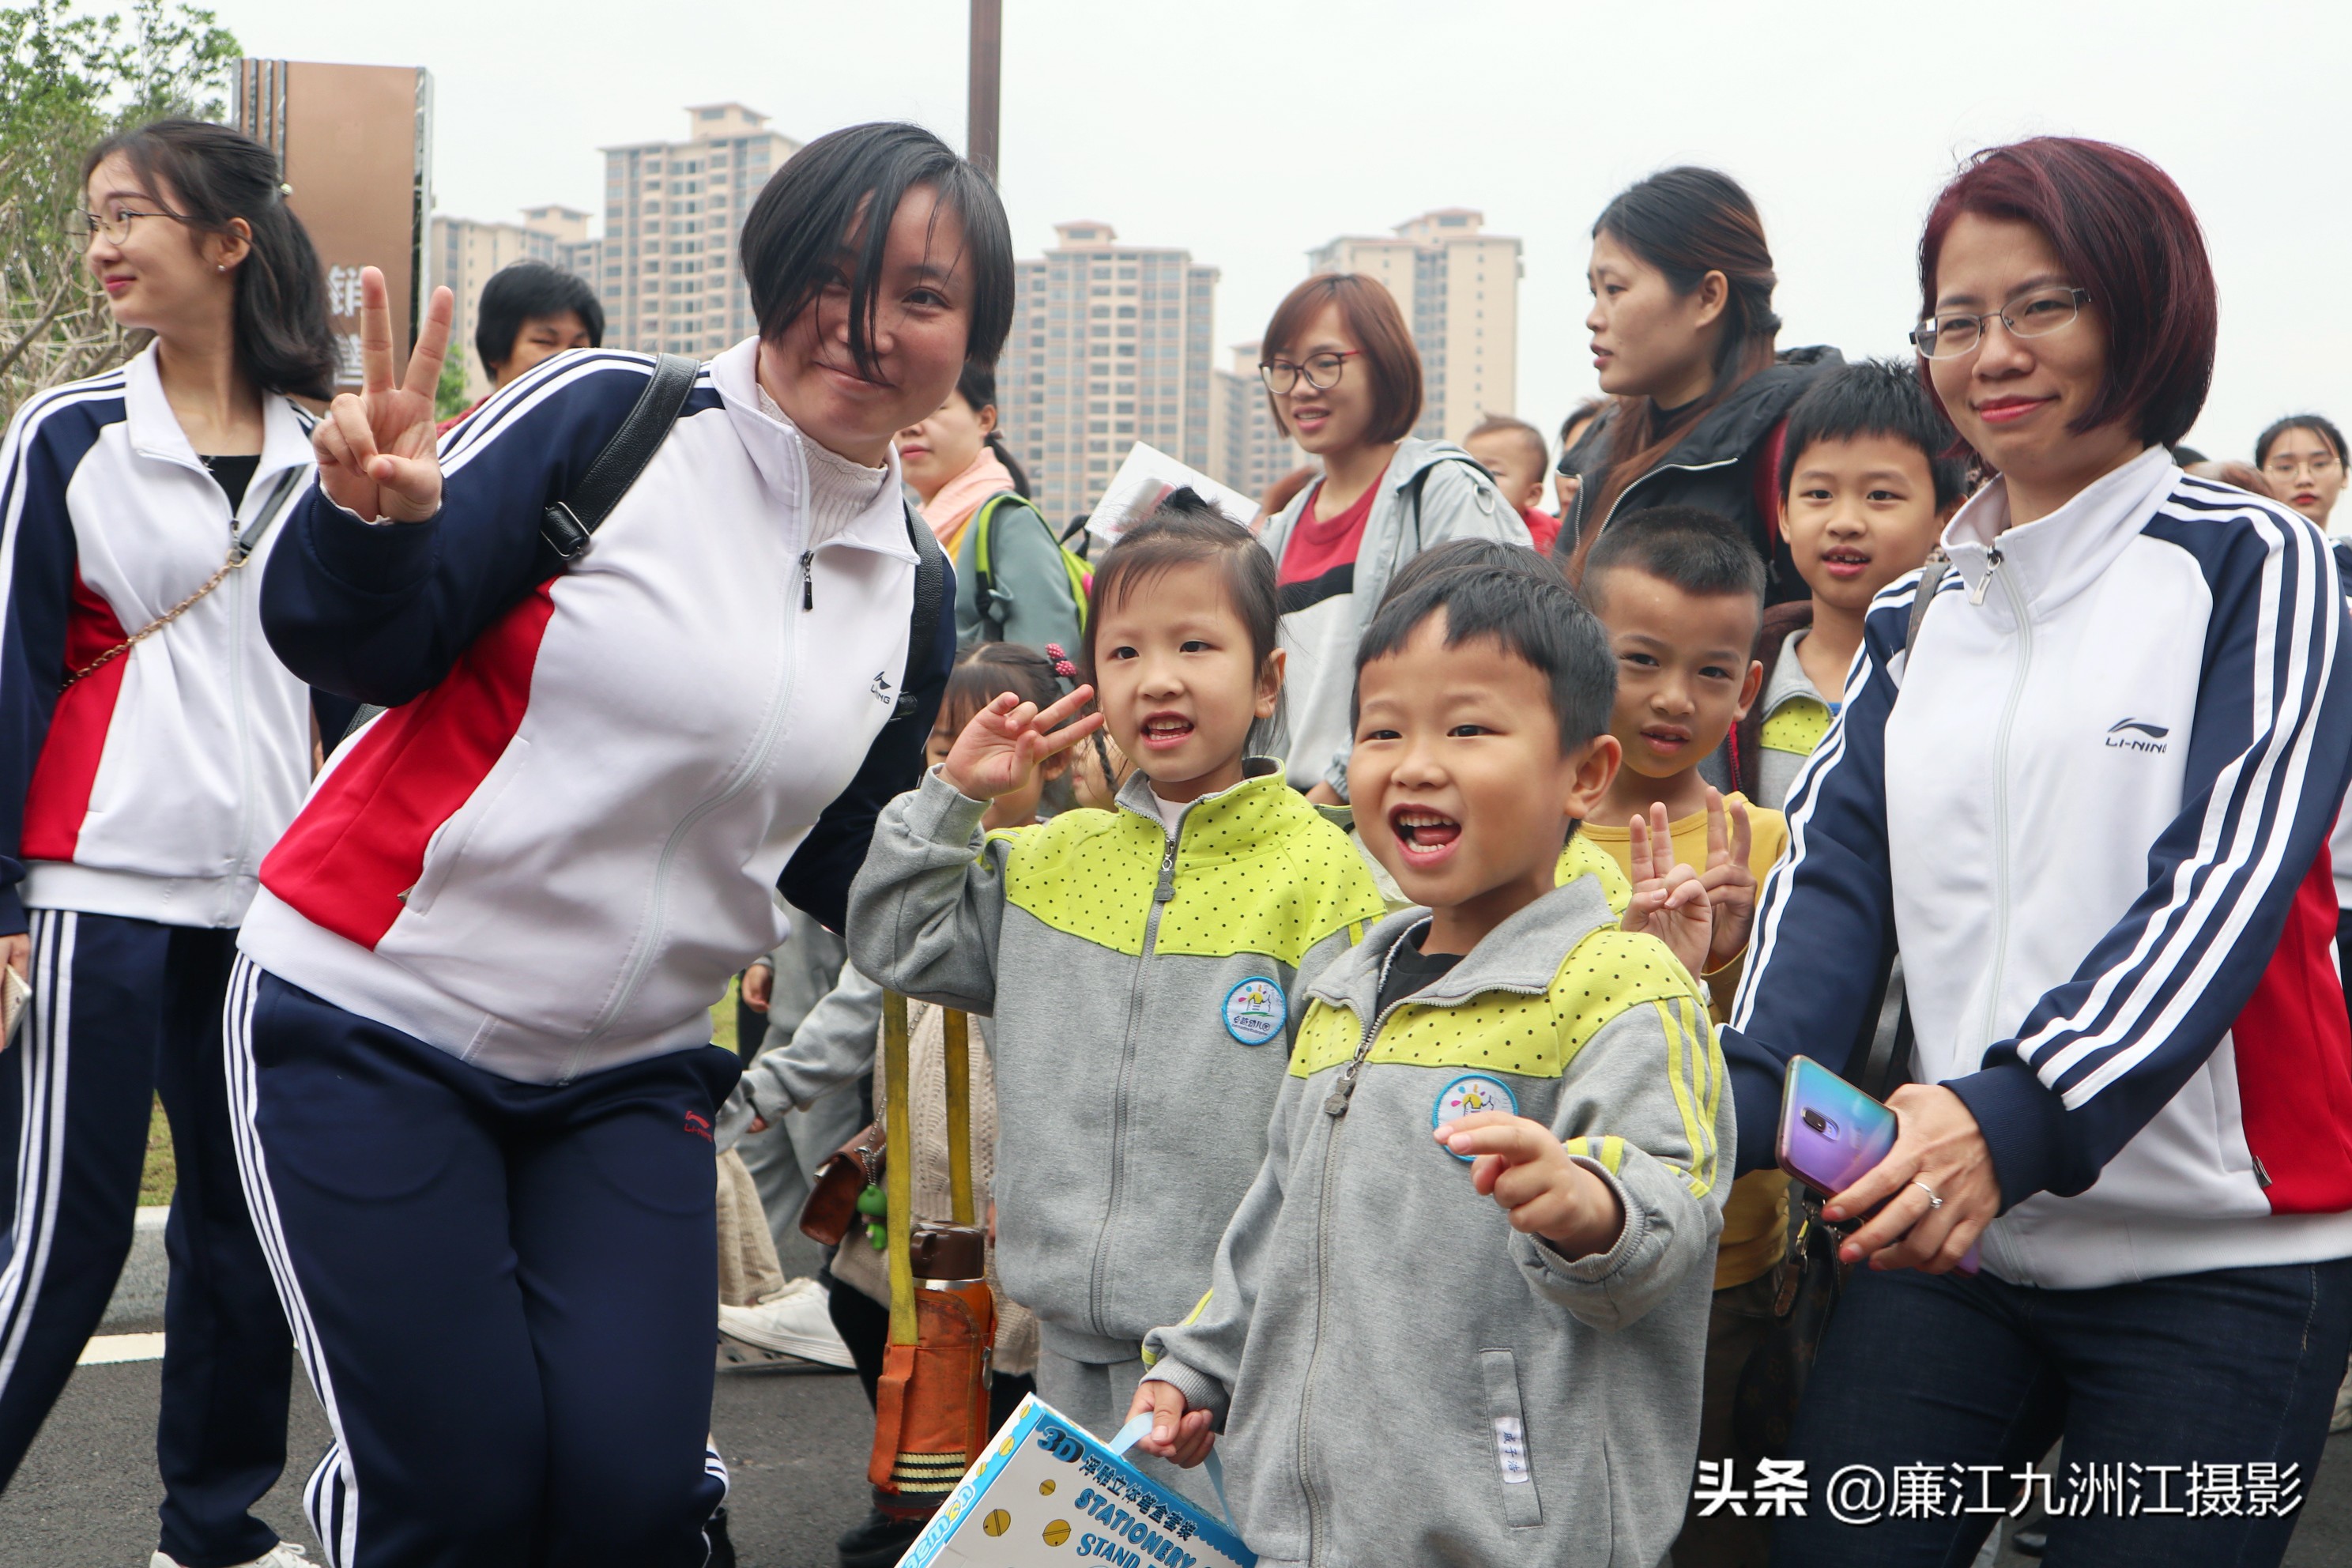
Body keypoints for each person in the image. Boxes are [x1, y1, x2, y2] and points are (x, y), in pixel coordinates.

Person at [228, 121, 994, 1566]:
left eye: (923, 294)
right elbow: (351, 643)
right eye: (833, 274)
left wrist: (998, 861)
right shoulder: (612, 416)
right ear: (771, 269)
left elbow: (841, 860)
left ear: (971, 335)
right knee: (457, 1496)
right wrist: (365, 529)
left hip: (625, 1074)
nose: (866, 326)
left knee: (634, 1503)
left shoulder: (917, 584)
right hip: (372, 1014)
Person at [1722, 136, 2352, 1568]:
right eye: (1957, 318)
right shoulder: (1914, 615)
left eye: (2042, 304)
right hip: (1958, 1239)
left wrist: (2010, 1112)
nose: (1990, 352)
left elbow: (2231, 878)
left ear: (2144, 308)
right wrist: (1737, 1091)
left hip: (2223, 1257)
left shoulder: (2258, 561)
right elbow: (1830, 884)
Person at [1128, 553, 1731, 1568]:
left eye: (1469, 728)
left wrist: (1590, 1206)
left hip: (1508, 1540)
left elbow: (1671, 1203)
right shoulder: (1343, 989)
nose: (1413, 763)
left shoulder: (1619, 982)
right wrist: (1197, 1368)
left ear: (1584, 773)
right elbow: (1274, 1223)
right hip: (1301, 1531)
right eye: (1382, 730)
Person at [847, 495, 1389, 1505]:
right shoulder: (1048, 860)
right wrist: (953, 798)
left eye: (1197, 644)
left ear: (1269, 679)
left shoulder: (1326, 879)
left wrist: (1224, 1345)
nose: (1161, 677)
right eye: (1127, 651)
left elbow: (1335, 1147)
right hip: (1062, 1348)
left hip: (1238, 1364)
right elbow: (893, 938)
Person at [0, 119, 334, 1568]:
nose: (106, 244)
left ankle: (211, 1527)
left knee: (240, 1228)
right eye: (95, 219)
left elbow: (363, 685)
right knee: (58, 1239)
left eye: (132, 214)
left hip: (274, 902)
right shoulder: (65, 435)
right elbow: (8, 670)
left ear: (229, 238)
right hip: (95, 885)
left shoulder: (333, 447)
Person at [736, 643, 1064, 1568]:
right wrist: (767, 1088)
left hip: (1003, 1181)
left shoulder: (1047, 874)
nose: (963, 760)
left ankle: (987, 1524)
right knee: (874, 1317)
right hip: (912, 1171)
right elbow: (854, 1003)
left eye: (991, 736)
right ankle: (909, 1495)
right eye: (941, 743)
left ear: (1050, 753)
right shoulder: (917, 879)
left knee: (1001, 1365)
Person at [1576, 504, 1789, 1568]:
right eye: (1642, 660)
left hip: (1730, 1268)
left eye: (1713, 672)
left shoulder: (1764, 843)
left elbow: (1786, 1045)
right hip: (1571, 1255)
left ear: (1748, 688)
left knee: (1715, 1531)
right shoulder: (1534, 832)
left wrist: (1727, 959)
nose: (1674, 698)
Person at [1253, 273, 1528, 803]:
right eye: (1284, 369)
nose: (1302, 387)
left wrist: (1336, 786)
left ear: (1384, 364)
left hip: (1405, 807)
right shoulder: (1281, 529)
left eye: (1325, 363)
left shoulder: (1441, 490)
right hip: (1293, 823)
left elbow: (1486, 661)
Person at [1558, 168, 1838, 602]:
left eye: (1614, 289)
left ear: (1708, 297)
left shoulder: (1800, 445)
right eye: (1593, 292)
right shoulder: (1605, 445)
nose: (1594, 317)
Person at [1736, 359, 1966, 809]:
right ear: (1784, 514)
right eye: (1819, 494)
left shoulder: (1963, 677)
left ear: (1948, 518)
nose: (1844, 522)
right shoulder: (1739, 681)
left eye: (1881, 495)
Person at [897, 360, 1081, 654]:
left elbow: (1045, 665)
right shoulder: (903, 533)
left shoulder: (1007, 521)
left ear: (985, 419)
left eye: (933, 407)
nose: (910, 427)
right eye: (901, 410)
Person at [435, 260, 603, 434]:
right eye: (545, 342)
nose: (565, 359)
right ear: (495, 350)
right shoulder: (441, 447)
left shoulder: (611, 449)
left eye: (578, 347)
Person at [1464, 412, 1560, 552]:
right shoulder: (1458, 523)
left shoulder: (1544, 534)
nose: (1479, 479)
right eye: (1469, 469)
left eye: (1494, 473)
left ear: (1532, 495)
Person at [2257, 413, 2346, 534]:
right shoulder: (2239, 552)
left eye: (2320, 464)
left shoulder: (2346, 552)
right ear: (2260, 479)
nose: (2304, 479)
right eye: (2285, 467)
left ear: (2345, 474)